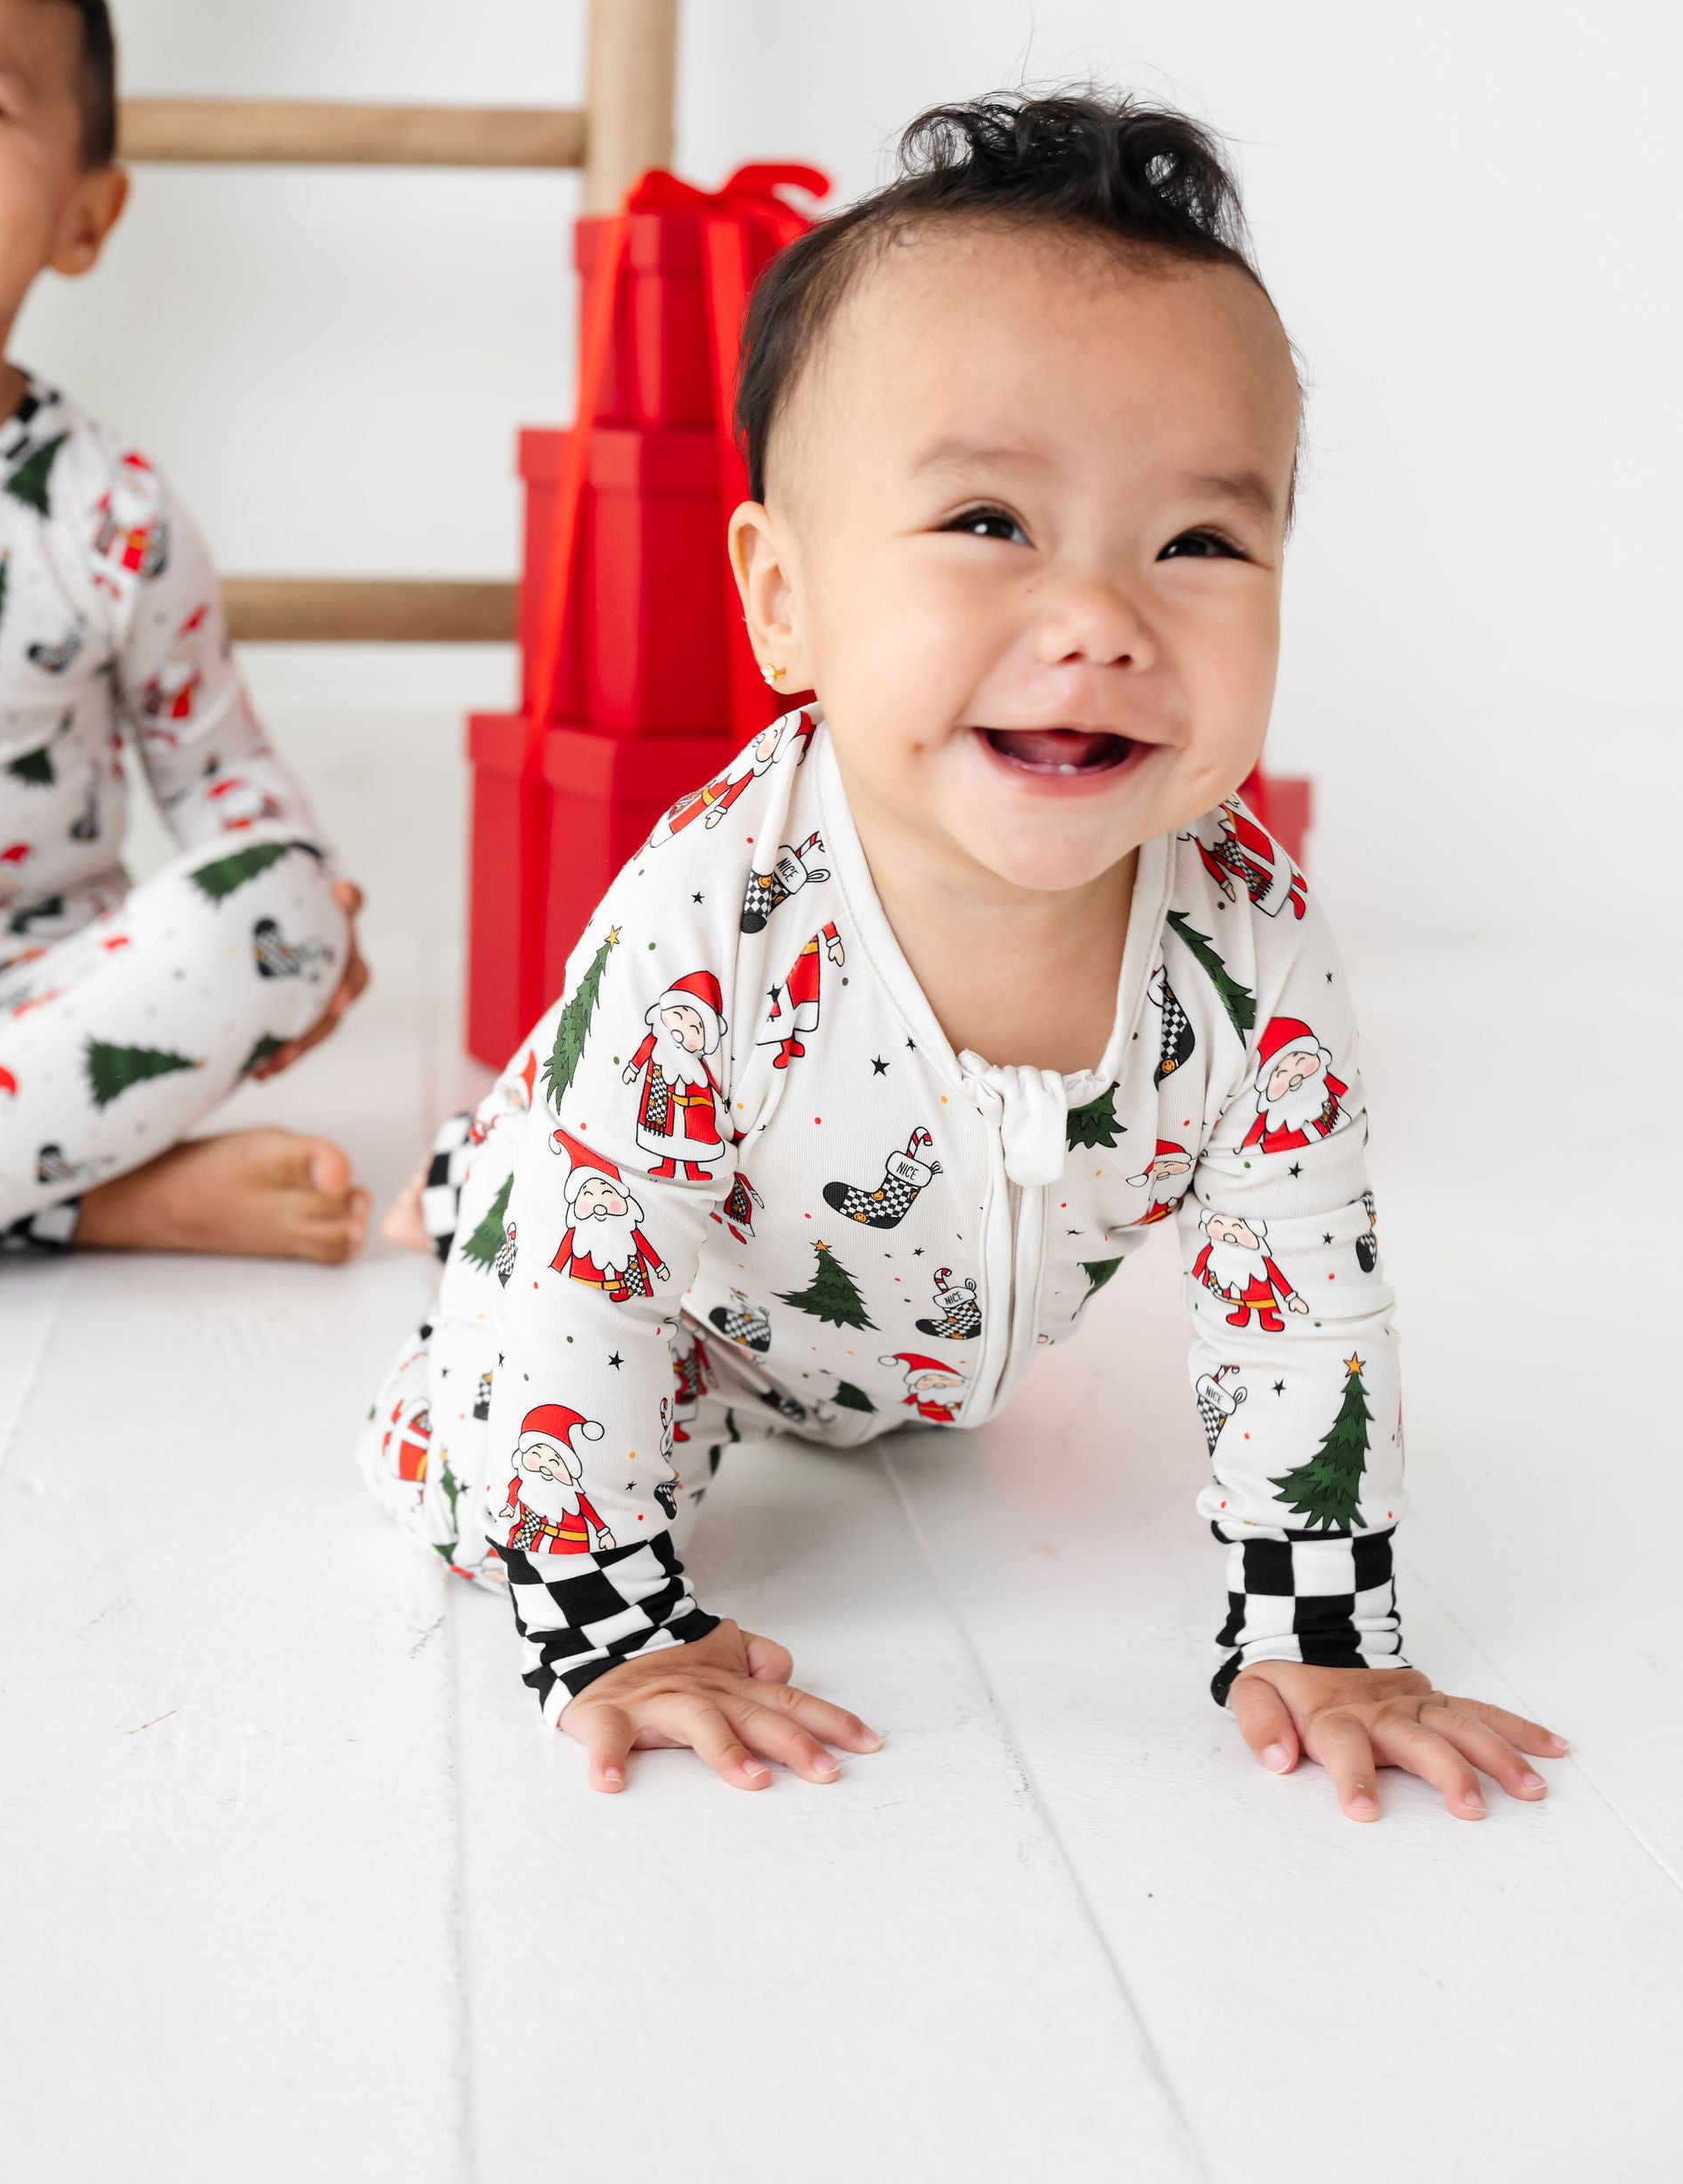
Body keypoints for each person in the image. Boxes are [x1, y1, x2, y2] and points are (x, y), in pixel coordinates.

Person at [365, 89, 1565, 1817]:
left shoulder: (1248, 945)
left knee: (639, 1222)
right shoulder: (715, 913)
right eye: (990, 524)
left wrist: (1319, 1630)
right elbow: (577, 1280)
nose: (1097, 619)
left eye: (1199, 543)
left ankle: (513, 1149)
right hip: (695, 1299)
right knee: (463, 1453)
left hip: (903, 1346)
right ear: (782, 603)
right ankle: (496, 1161)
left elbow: (1297, 1287)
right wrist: (612, 1622)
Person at [0, 0, 368, 1264]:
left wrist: (307, 924)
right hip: (28, 1125)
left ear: (86, 216)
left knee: (282, 907)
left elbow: (223, 782)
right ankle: (80, 1200)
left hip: (30, 1029)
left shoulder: (109, 516)